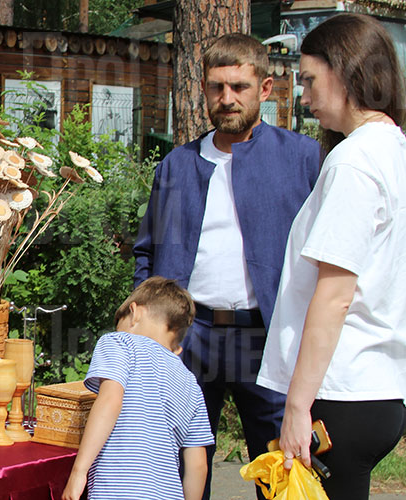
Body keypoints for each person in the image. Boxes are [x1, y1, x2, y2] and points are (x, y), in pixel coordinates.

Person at [131, 33, 320, 499]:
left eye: (239, 87)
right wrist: (145, 329)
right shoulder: (176, 165)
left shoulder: (302, 158)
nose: (227, 99)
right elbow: (147, 252)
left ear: (267, 88)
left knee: (283, 463)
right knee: (178, 463)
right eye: (216, 87)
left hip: (268, 337)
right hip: (188, 338)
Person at [257, 14, 406, 500]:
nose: (304, 96)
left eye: (310, 80)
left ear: (346, 70)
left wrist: (296, 406)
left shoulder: (356, 161)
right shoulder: (402, 156)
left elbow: (334, 297)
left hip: (342, 390)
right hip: (382, 389)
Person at [62, 277, 214, 500]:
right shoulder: (191, 382)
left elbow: (110, 400)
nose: (118, 330)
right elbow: (198, 464)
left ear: (134, 313)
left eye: (119, 323)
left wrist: (79, 472)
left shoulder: (120, 343)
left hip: (118, 490)